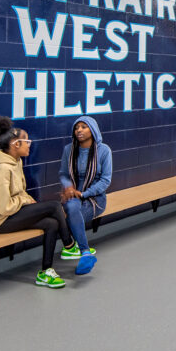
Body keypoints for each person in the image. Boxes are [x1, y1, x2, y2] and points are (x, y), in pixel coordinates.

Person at [0, 116, 76, 289]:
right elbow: (1, 206)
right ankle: (69, 244)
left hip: (12, 214)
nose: (30, 144)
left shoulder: (15, 162)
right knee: (54, 206)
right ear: (16, 144)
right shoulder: (1, 169)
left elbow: (18, 193)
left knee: (52, 224)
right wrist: (24, 200)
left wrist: (25, 199)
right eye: (27, 141)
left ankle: (46, 272)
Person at [59, 116, 112, 276]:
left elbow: (105, 180)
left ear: (93, 130)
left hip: (95, 198)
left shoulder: (104, 150)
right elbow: (63, 174)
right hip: (73, 195)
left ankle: (75, 247)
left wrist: (84, 193)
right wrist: (68, 187)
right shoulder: (69, 149)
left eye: (83, 127)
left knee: (71, 218)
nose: (79, 131)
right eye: (76, 128)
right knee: (71, 207)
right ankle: (85, 253)